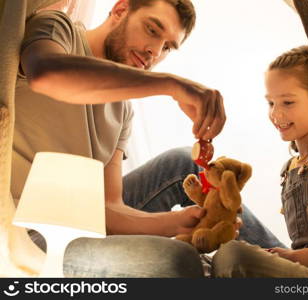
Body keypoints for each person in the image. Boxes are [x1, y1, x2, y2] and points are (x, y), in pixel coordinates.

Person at [13, 0, 282, 277]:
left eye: (167, 47)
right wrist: (171, 84)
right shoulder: (61, 29)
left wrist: (178, 222)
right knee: (177, 260)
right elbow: (46, 74)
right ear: (120, 11)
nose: (155, 51)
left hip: (80, 216)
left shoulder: (123, 108)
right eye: (152, 30)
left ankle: (290, 266)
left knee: (181, 164)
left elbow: (109, 208)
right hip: (27, 229)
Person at [212, 45, 308, 277]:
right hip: (301, 268)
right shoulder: (291, 168)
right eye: (271, 103)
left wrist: (292, 257)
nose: (276, 114)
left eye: (288, 103)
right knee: (219, 252)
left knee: (233, 256)